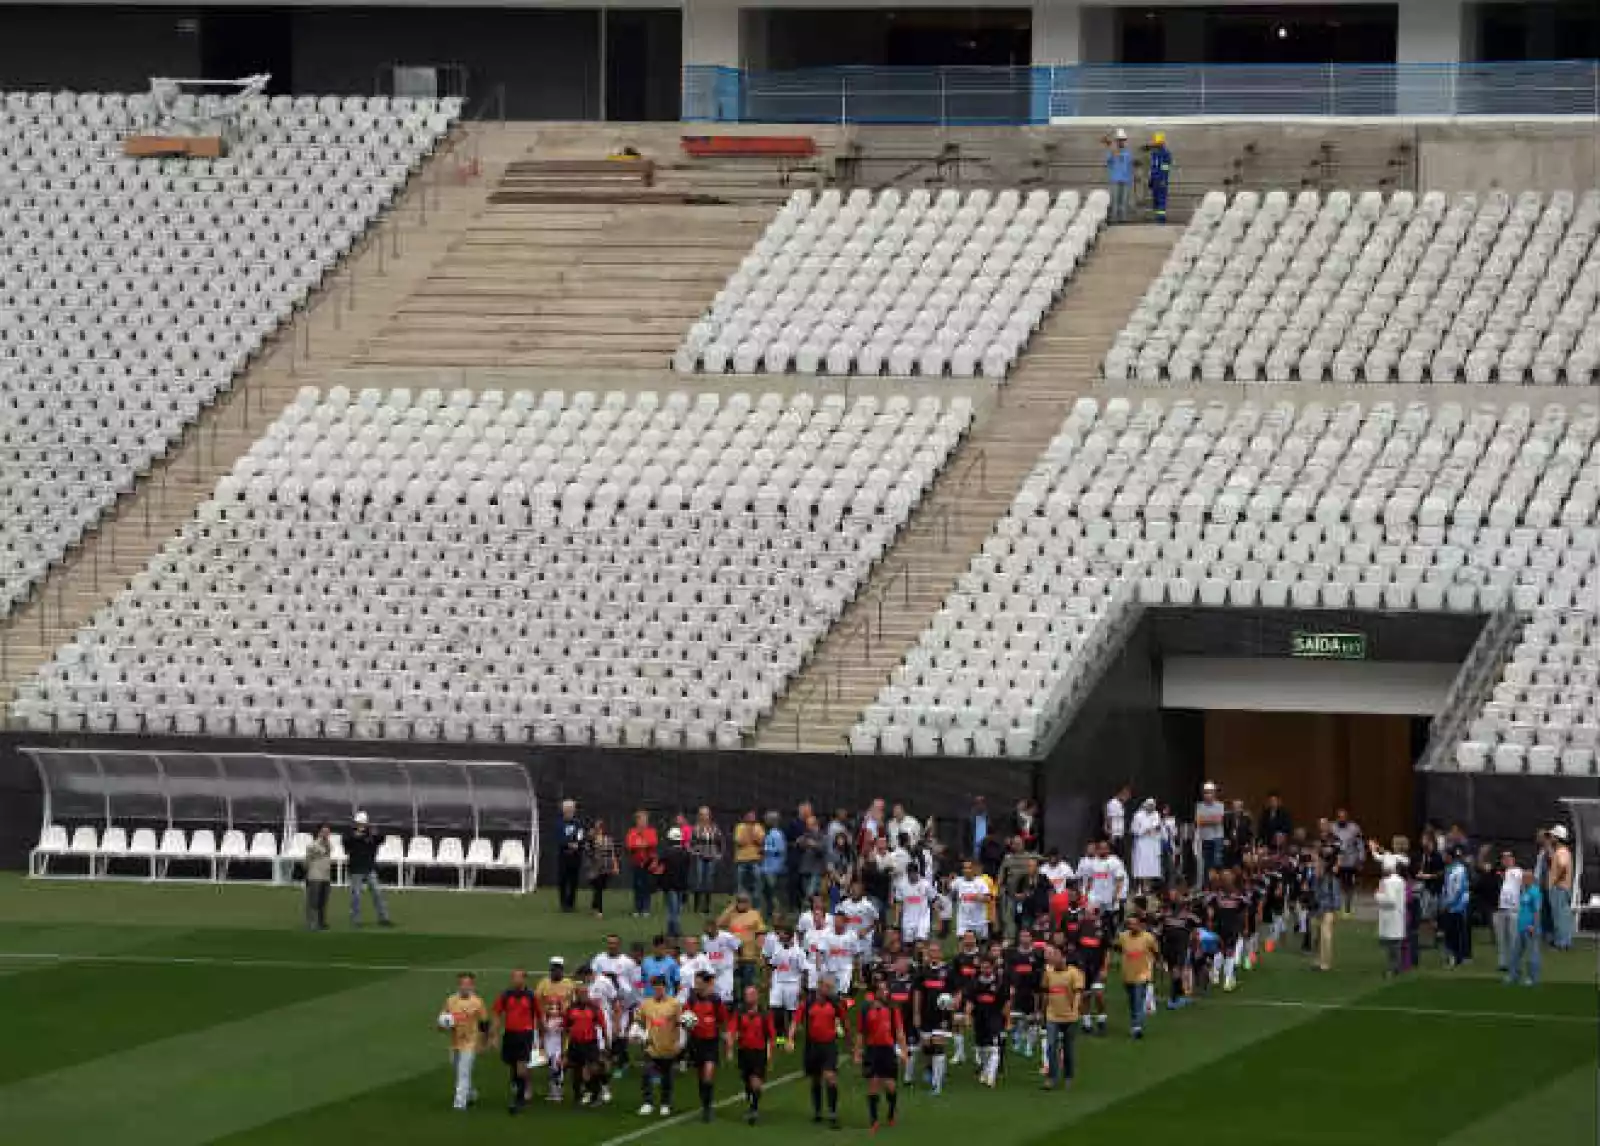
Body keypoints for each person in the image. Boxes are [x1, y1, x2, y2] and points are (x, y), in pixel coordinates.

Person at [857, 974, 908, 1128]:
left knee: (890, 1086)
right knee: (873, 1084)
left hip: (888, 1050)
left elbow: (899, 1031)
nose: (885, 992)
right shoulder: (866, 1009)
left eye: (886, 989)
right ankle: (874, 1120)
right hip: (872, 1050)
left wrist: (904, 1051)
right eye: (882, 990)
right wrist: (857, 1051)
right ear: (876, 992)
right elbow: (861, 1033)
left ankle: (891, 1113)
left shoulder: (893, 1009)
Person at [796, 977, 848, 1128]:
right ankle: (817, 1111)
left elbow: (845, 1022)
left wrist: (850, 1042)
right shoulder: (809, 1002)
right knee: (815, 1079)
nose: (830, 989)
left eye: (831, 987)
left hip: (829, 1046)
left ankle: (833, 1112)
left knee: (830, 1077)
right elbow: (797, 1018)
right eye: (827, 986)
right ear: (820, 987)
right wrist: (791, 1037)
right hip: (812, 1046)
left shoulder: (835, 1003)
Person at [683, 971, 730, 1122]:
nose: (696, 985)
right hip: (696, 1042)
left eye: (699, 982)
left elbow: (723, 1020)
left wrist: (725, 1037)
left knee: (708, 1074)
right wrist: (686, 1024)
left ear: (706, 983)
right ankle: (705, 1103)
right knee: (701, 1076)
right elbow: (684, 1019)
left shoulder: (715, 1000)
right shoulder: (691, 1000)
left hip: (711, 1043)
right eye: (695, 982)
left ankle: (708, 1108)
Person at [439, 971, 488, 1110]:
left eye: (467, 984)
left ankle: (459, 1103)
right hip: (455, 1043)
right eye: (462, 984)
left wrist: (483, 1043)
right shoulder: (451, 1000)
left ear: (472, 986)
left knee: (463, 1072)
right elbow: (442, 1018)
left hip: (470, 1042)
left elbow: (484, 1024)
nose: (464, 987)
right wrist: (442, 1024)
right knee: (458, 1070)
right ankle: (471, 1093)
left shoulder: (477, 1002)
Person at [492, 968, 538, 1113]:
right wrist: (494, 1035)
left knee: (521, 1067)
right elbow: (497, 1013)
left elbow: (539, 1015)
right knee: (512, 1064)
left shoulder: (531, 996)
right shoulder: (506, 995)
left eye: (519, 977)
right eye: (514, 977)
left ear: (524, 979)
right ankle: (519, 1088)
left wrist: (540, 1036)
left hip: (525, 1034)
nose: (517, 980)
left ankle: (519, 1100)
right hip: (510, 1034)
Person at [637, 975, 683, 1116]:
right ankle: (647, 1102)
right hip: (651, 1046)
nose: (658, 990)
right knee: (646, 1074)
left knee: (666, 1078)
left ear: (665, 987)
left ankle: (665, 1103)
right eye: (655, 987)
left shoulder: (674, 1004)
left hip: (668, 1046)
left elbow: (680, 1024)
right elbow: (639, 1021)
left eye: (660, 987)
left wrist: (680, 1043)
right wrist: (639, 1034)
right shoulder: (646, 1004)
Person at [1039, 944, 1083, 1090]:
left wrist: (1075, 1009)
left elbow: (1078, 993)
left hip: (1070, 1018)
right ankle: (1051, 1078)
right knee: (1051, 1046)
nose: (1052, 958)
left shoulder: (1074, 973)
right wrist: (1042, 1012)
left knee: (1068, 1048)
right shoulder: (1048, 973)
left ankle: (1068, 1076)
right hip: (1053, 1016)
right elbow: (1045, 992)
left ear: (1063, 958)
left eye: (1055, 955)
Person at [730, 983, 775, 1124]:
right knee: (747, 1080)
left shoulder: (764, 1014)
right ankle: (751, 1099)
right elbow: (732, 1030)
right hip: (744, 1052)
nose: (749, 997)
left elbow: (771, 1035)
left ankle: (754, 1109)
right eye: (747, 994)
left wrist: (769, 1052)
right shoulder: (739, 1012)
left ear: (757, 996)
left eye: (752, 994)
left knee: (756, 1082)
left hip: (759, 1052)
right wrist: (730, 1047)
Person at [564, 975, 610, 1107]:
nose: (583, 995)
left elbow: (603, 1026)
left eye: (585, 993)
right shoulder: (571, 1008)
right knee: (576, 1069)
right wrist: (566, 1046)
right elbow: (566, 1027)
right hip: (575, 1043)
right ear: (576, 994)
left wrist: (606, 1043)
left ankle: (596, 1094)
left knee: (593, 1069)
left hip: (590, 1043)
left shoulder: (594, 1008)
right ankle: (579, 1094)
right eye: (580, 993)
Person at [535, 956, 576, 1101]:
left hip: (563, 1026)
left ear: (562, 969)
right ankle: (555, 1088)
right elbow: (537, 1004)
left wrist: (570, 1023)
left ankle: (557, 1089)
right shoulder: (543, 984)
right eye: (553, 968)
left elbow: (574, 1005)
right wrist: (541, 1023)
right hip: (547, 1025)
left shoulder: (569, 984)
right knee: (551, 1057)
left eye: (558, 968)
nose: (556, 970)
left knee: (559, 1057)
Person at [966, 955, 1010, 1086]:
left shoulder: (1000, 983)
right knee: (981, 1049)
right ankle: (985, 1070)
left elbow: (1006, 1004)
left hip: (995, 1018)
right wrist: (968, 1016)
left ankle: (991, 1077)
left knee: (994, 1048)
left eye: (988, 967)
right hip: (979, 1019)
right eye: (983, 967)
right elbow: (970, 1002)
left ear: (993, 967)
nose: (985, 969)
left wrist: (1007, 1021)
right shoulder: (974, 983)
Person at [342, 811, 392, 928]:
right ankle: (356, 920)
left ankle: (383, 918)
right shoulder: (350, 835)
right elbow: (346, 845)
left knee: (377, 894)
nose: (361, 826)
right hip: (355, 869)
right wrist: (358, 837)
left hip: (369, 868)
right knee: (356, 896)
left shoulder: (371, 834)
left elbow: (381, 839)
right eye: (359, 824)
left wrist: (373, 834)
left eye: (363, 824)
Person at [764, 923, 808, 1042]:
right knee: (775, 1007)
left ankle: (791, 1032)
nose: (779, 935)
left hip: (792, 983)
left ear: (788, 935)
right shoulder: (777, 950)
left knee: (791, 1010)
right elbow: (772, 965)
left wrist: (803, 987)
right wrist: (769, 979)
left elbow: (804, 970)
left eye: (782, 933)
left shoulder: (799, 952)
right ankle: (780, 1034)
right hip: (778, 982)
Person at [718, 891, 768, 997]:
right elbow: (719, 924)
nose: (742, 904)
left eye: (744, 901)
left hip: (748, 957)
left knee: (747, 984)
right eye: (739, 901)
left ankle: (747, 1005)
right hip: (732, 957)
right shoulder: (731, 914)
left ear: (749, 903)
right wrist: (730, 908)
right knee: (731, 984)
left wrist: (761, 953)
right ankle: (734, 1005)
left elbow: (761, 934)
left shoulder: (754, 914)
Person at [1507, 861, 1544, 986]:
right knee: (1515, 953)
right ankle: (1514, 975)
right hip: (1521, 927)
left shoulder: (1535, 892)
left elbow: (1537, 911)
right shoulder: (1524, 891)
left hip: (1530, 928)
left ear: (1531, 879)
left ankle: (1533, 979)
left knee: (1532, 955)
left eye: (1525, 878)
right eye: (1522, 877)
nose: (1522, 880)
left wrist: (1534, 925)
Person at [1373, 855, 1407, 977]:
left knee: (1393, 946)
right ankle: (1395, 967)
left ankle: (1393, 968)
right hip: (1396, 916)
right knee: (1394, 944)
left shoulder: (1388, 882)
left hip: (1391, 916)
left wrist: (1378, 896)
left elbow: (1390, 900)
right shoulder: (1400, 880)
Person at [1492, 849, 1524, 973]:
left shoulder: (1518, 872)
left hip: (1514, 908)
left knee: (1514, 938)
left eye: (1508, 858)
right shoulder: (1498, 874)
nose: (1506, 860)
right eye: (1503, 858)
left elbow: (1523, 887)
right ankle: (1503, 963)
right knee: (1501, 938)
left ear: (1513, 859)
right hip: (1500, 909)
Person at [688, 807, 725, 914]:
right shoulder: (696, 828)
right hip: (700, 856)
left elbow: (720, 842)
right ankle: (696, 907)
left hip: (712, 857)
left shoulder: (714, 828)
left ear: (709, 816)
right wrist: (693, 851)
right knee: (699, 881)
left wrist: (719, 854)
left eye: (706, 814)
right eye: (702, 814)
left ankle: (706, 908)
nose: (704, 817)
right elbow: (691, 843)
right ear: (699, 816)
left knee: (709, 882)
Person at [1441, 845, 1472, 968]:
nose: (1443, 857)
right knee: (1449, 932)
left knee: (1457, 932)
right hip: (1449, 904)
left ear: (1450, 856)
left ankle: (1458, 957)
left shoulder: (1459, 870)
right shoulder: (1448, 869)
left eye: (1445, 855)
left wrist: (1450, 903)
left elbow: (1459, 889)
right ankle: (1452, 956)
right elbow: (1446, 886)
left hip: (1457, 906)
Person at [1312, 845, 1342, 972]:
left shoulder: (1331, 880)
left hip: (1328, 910)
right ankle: (1319, 960)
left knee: (1326, 936)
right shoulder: (1318, 880)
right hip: (1319, 910)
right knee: (1318, 937)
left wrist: (1334, 911)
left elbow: (1336, 897)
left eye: (1318, 867)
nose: (1316, 869)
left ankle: (1325, 963)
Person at [951, 857, 996, 942]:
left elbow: (989, 898)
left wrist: (981, 898)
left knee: (979, 944)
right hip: (963, 920)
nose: (966, 870)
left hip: (978, 920)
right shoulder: (958, 881)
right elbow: (948, 891)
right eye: (964, 868)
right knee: (962, 942)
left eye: (969, 868)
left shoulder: (981, 882)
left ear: (973, 869)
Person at [700, 915, 743, 1004]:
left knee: (725, 997)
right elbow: (705, 952)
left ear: (715, 927)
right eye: (706, 929)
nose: (708, 931)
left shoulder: (727, 937)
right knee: (713, 997)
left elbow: (738, 946)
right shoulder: (704, 938)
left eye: (710, 928)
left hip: (725, 971)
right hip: (712, 972)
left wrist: (738, 960)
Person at [584, 819, 621, 919]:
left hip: (606, 867)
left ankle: (594, 905)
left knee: (600, 888)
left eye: (600, 828)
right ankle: (599, 911)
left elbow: (612, 853)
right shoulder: (591, 840)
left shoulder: (608, 840)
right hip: (595, 868)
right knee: (598, 888)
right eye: (597, 828)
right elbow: (588, 853)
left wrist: (615, 866)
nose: (599, 830)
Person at [625, 811, 659, 918]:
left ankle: (646, 909)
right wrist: (642, 844)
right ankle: (637, 908)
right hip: (636, 862)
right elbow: (630, 845)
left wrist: (641, 844)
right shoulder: (632, 831)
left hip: (648, 862)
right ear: (637, 821)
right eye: (641, 820)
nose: (644, 822)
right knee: (637, 886)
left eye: (645, 820)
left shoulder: (651, 831)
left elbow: (653, 842)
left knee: (647, 886)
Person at [1331, 809, 1365, 915]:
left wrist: (1361, 859)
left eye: (1344, 817)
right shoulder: (1332, 828)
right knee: (1336, 884)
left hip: (1350, 861)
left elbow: (1360, 844)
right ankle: (1336, 906)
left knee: (1348, 885)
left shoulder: (1354, 828)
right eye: (1340, 817)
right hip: (1336, 861)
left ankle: (1347, 906)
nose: (1342, 819)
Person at [659, 826, 690, 938]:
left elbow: (660, 868)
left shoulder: (666, 853)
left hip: (669, 886)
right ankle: (672, 931)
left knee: (671, 910)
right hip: (681, 886)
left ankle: (674, 931)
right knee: (677, 910)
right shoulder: (686, 853)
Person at [1548, 824, 1574, 951]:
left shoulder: (1561, 851)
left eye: (1553, 836)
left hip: (1559, 888)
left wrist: (1556, 881)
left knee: (1559, 917)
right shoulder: (1564, 851)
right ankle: (1565, 942)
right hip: (1563, 887)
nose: (1551, 837)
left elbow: (1563, 866)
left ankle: (1561, 943)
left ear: (1557, 838)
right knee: (1563, 916)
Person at [557, 799, 586, 913]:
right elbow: (559, 838)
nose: (569, 812)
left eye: (571, 809)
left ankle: (571, 903)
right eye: (567, 810)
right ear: (563, 810)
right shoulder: (559, 824)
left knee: (573, 880)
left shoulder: (578, 823)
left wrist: (577, 844)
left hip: (575, 856)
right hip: (564, 856)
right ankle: (563, 904)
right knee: (563, 880)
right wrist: (567, 844)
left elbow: (580, 836)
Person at [1194, 782, 1225, 886]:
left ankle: (1219, 887)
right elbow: (1198, 821)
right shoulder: (1199, 806)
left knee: (1217, 864)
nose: (1208, 795)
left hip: (1217, 839)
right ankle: (1207, 888)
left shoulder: (1220, 805)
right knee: (1206, 865)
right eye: (1206, 793)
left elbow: (1219, 820)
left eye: (1210, 792)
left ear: (1214, 793)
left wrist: (1205, 820)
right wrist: (1211, 819)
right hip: (1204, 839)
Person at [303, 823, 332, 931]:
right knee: (313, 901)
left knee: (323, 901)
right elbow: (307, 861)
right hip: (315, 875)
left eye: (328, 832)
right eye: (324, 832)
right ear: (319, 833)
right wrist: (307, 874)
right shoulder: (313, 846)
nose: (326, 834)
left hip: (326, 876)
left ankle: (321, 922)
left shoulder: (329, 845)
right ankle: (311, 923)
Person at [1130, 799, 1164, 891]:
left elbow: (1159, 827)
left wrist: (1157, 829)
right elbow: (1133, 830)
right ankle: (1140, 887)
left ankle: (1148, 887)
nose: (1151, 807)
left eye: (1153, 805)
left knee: (1151, 867)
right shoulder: (1138, 815)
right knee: (1142, 867)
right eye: (1149, 805)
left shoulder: (1156, 814)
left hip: (1153, 843)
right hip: (1142, 843)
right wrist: (1145, 831)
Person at [733, 810, 765, 900]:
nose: (752, 818)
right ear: (745, 816)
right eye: (750, 816)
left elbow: (761, 841)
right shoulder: (739, 827)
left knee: (757, 882)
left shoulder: (759, 827)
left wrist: (753, 837)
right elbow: (740, 841)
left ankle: (755, 904)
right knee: (740, 883)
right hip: (741, 860)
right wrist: (750, 835)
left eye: (753, 816)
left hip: (755, 859)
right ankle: (740, 903)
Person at [760, 812, 786, 919]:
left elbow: (780, 849)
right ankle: (769, 912)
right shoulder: (769, 833)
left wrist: (765, 850)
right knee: (767, 892)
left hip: (773, 867)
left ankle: (777, 913)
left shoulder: (777, 834)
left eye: (767, 820)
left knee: (773, 891)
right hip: (766, 867)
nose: (765, 822)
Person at [1105, 128, 1134, 223]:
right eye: (1119, 140)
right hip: (1115, 179)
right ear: (1116, 141)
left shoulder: (1128, 152)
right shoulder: (1112, 151)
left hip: (1125, 180)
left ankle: (1123, 219)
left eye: (1122, 140)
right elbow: (1108, 162)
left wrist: (1131, 179)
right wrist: (1112, 152)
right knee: (1115, 200)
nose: (1121, 142)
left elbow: (1130, 165)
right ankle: (1114, 218)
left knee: (1124, 200)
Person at [1147, 130, 1173, 223]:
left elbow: (1165, 169)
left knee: (1161, 199)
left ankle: (1161, 218)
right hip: (1155, 180)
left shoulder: (1165, 154)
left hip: (1161, 180)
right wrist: (1151, 179)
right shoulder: (1154, 153)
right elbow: (1152, 167)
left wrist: (1163, 179)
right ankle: (1157, 216)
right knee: (1156, 199)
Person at [1104, 784, 1130, 857]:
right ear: (1121, 793)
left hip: (1120, 834)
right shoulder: (1113, 803)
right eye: (1126, 795)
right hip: (1114, 834)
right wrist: (1111, 835)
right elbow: (1109, 818)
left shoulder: (1120, 804)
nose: (1127, 798)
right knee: (1115, 855)